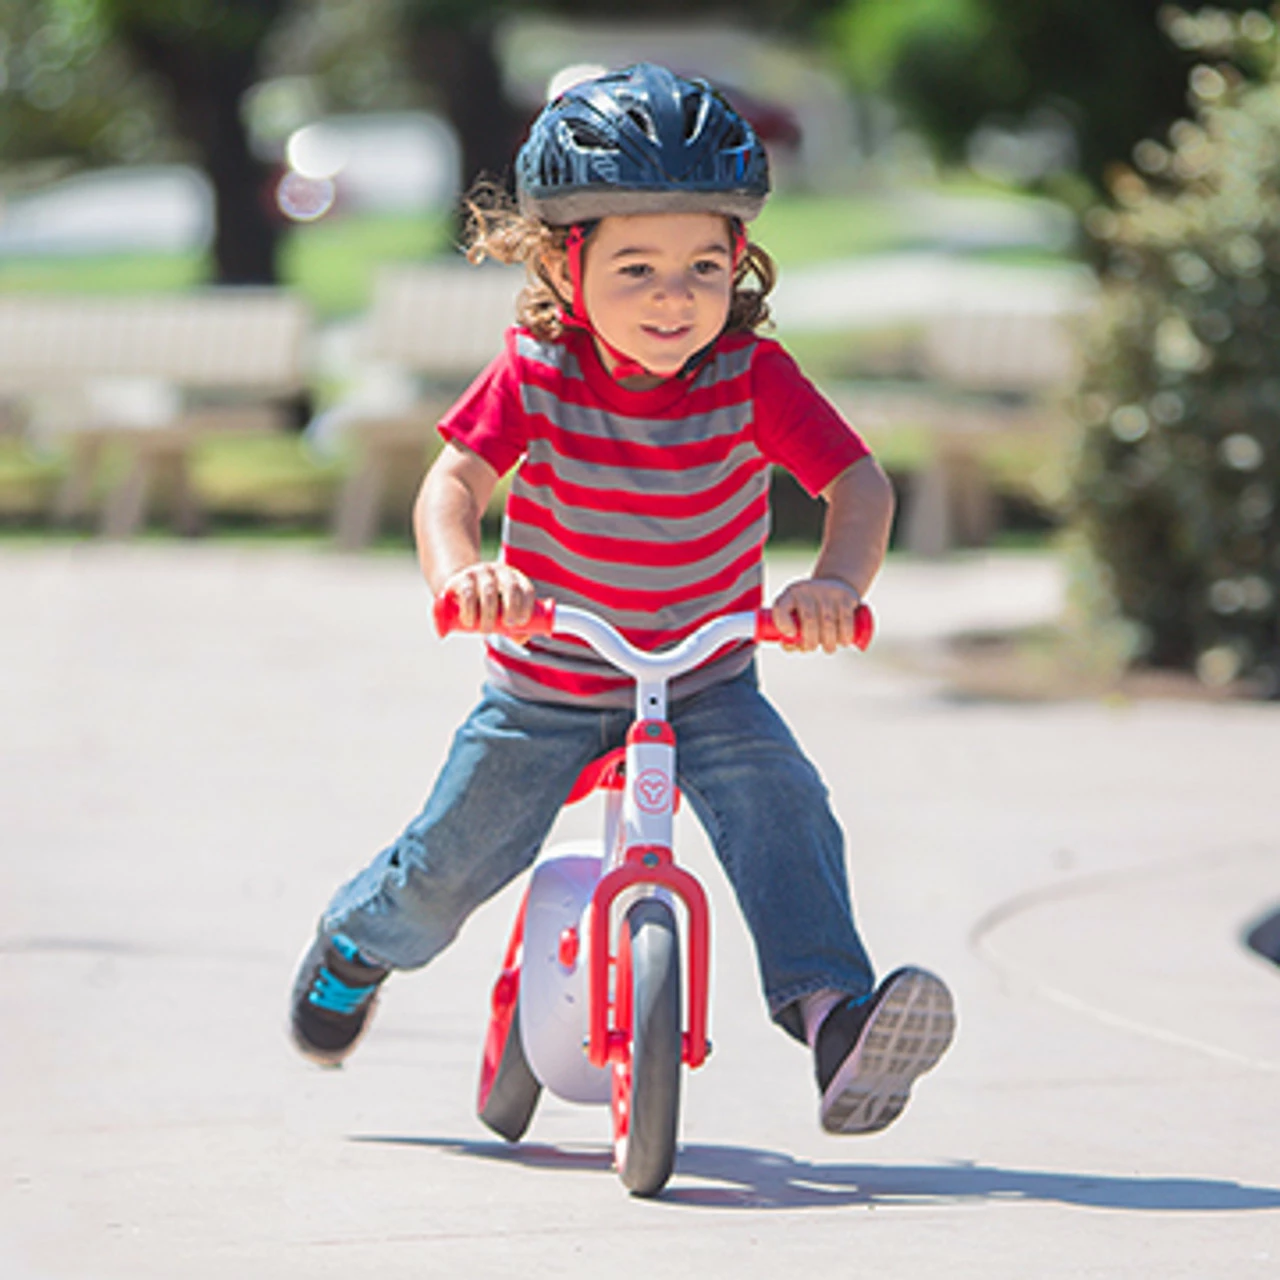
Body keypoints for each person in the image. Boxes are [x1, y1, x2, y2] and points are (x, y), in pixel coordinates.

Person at [290, 63, 954, 1136]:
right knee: (454, 862)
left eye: (703, 267)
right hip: (546, 687)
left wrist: (835, 582)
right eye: (636, 267)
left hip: (705, 681)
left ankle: (836, 1018)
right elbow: (451, 486)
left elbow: (858, 485)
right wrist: (466, 577)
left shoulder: (751, 376)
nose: (672, 296)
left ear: (739, 262)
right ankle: (359, 943)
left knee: (783, 809)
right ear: (568, 263)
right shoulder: (537, 371)